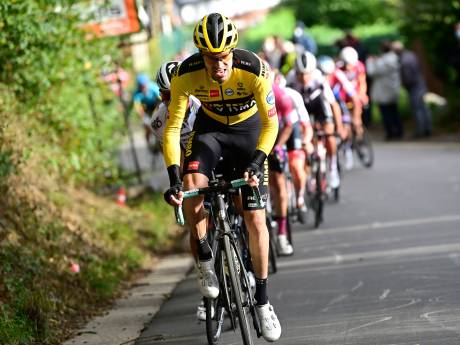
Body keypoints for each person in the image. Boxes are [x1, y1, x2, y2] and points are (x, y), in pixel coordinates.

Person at [162, 13, 281, 342]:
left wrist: (258, 161)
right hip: (211, 133)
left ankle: (262, 301)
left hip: (248, 134)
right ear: (201, 56)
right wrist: (174, 176)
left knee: (255, 217)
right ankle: (203, 257)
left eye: (224, 58)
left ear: (233, 52)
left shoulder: (254, 68)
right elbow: (173, 129)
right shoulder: (186, 74)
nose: (218, 67)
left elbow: (272, 124)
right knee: (191, 184)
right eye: (211, 60)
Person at [287, 51, 345, 191]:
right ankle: (311, 170)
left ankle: (332, 169)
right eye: (300, 73)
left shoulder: (319, 78)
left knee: (329, 135)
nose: (304, 77)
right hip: (302, 106)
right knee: (304, 138)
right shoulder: (290, 79)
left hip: (318, 104)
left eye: (307, 73)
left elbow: (333, 105)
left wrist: (340, 127)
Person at [318, 55, 362, 170]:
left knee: (345, 125)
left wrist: (356, 117)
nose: (326, 78)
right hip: (325, 101)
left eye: (328, 75)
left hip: (339, 100)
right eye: (323, 74)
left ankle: (347, 149)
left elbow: (354, 97)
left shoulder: (338, 75)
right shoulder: (318, 78)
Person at [391, 41, 432, 137]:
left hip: (414, 86)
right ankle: (427, 128)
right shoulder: (411, 55)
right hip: (420, 83)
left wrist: (403, 84)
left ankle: (421, 130)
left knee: (417, 108)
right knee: (423, 108)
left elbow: (408, 78)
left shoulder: (404, 61)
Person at [366, 41, 403, 140]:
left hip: (383, 92)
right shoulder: (394, 58)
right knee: (394, 112)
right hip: (393, 90)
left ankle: (391, 133)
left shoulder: (383, 62)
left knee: (386, 113)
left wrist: (370, 61)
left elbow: (371, 72)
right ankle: (399, 131)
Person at [338, 46, 367, 137]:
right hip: (343, 96)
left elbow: (362, 82)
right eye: (346, 64)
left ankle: (359, 135)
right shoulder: (338, 68)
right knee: (345, 122)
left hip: (355, 95)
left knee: (357, 119)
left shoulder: (359, 66)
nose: (348, 67)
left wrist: (362, 94)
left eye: (350, 64)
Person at [132, 73, 161, 151]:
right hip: (146, 109)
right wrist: (143, 116)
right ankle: (148, 143)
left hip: (156, 105)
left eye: (144, 85)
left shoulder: (153, 87)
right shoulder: (137, 93)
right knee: (147, 126)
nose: (143, 87)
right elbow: (137, 107)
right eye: (141, 86)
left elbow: (161, 98)